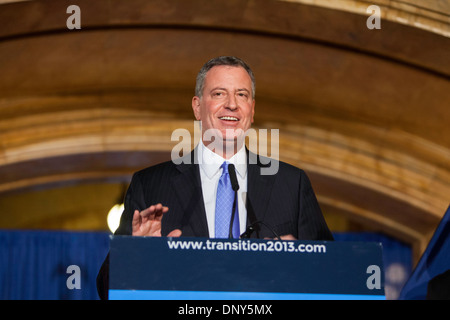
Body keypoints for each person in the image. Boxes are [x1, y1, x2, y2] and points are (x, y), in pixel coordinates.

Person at [96, 56, 333, 299]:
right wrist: (134, 255)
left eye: (242, 95)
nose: (232, 104)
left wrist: (302, 264)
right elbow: (107, 291)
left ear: (252, 109)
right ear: (197, 107)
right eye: (219, 94)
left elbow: (333, 277)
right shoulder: (150, 185)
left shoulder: (291, 184)